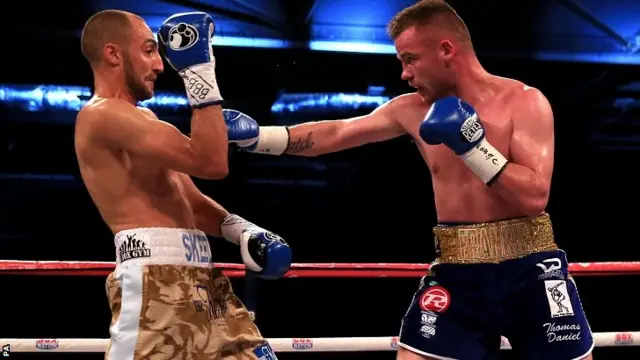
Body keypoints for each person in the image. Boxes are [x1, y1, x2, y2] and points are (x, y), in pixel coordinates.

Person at [224, 1, 594, 359]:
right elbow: (337, 133)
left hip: (531, 269)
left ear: (445, 49)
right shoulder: (411, 109)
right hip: (457, 269)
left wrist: (473, 147)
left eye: (409, 59)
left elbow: (533, 198)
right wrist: (259, 138)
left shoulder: (524, 102)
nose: (404, 73)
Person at [75, 9, 290, 360]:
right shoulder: (100, 115)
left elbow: (190, 198)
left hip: (204, 279)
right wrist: (199, 72)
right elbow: (211, 162)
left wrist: (242, 231)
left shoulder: (144, 120)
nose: (160, 65)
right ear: (113, 54)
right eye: (148, 50)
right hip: (152, 280)